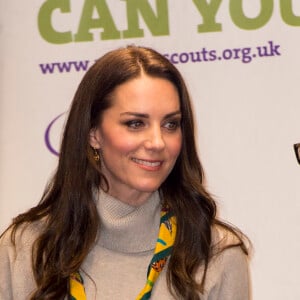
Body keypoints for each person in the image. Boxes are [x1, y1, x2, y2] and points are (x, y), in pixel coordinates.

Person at [0, 45, 250, 300]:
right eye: (135, 123)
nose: (157, 142)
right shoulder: (23, 250)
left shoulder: (217, 254)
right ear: (93, 133)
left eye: (170, 124)